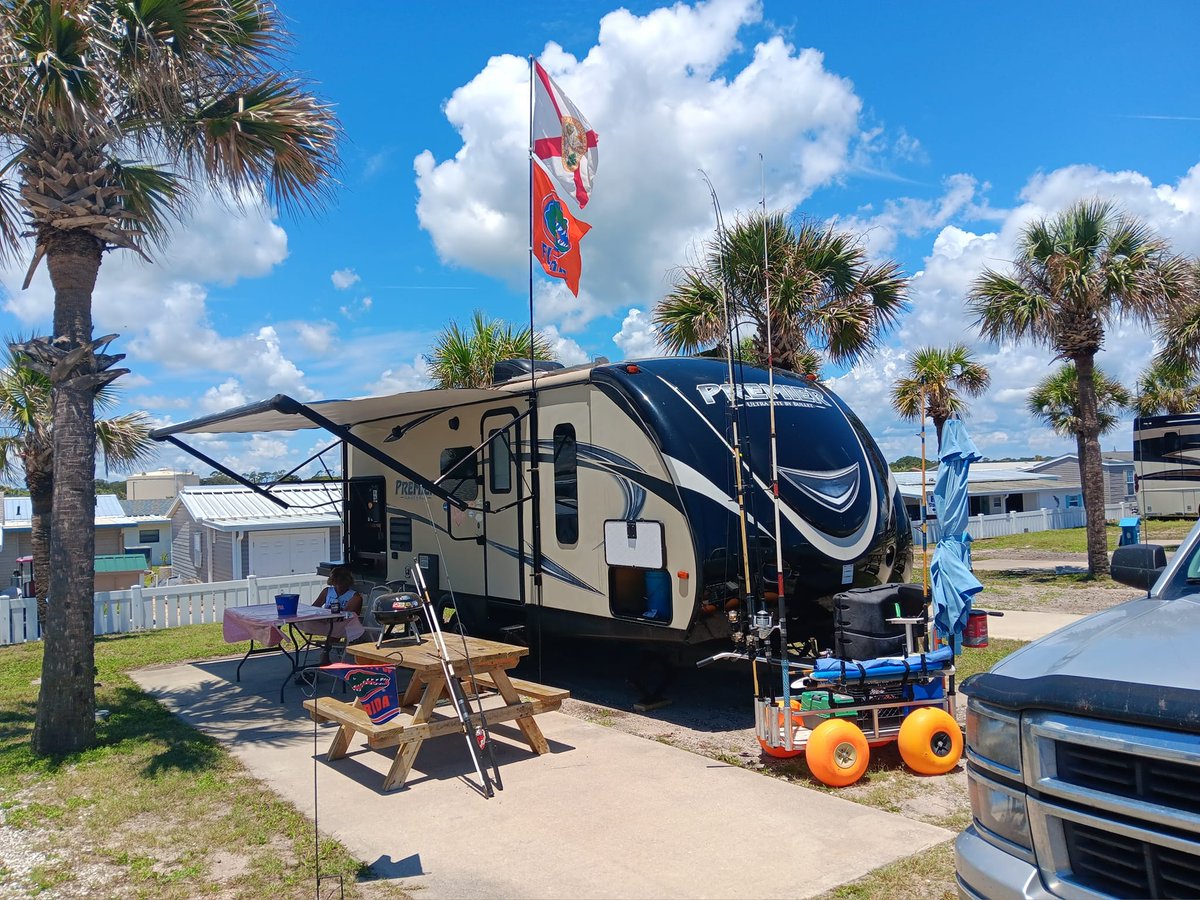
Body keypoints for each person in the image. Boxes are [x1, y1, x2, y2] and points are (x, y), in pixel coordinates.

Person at [313, 566, 363, 666]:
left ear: (347, 582)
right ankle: (325, 653)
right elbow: (315, 607)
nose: (339, 586)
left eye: (342, 583)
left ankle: (325, 653)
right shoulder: (327, 591)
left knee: (336, 627)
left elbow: (347, 614)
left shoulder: (355, 596)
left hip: (345, 625)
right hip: (325, 623)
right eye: (336, 583)